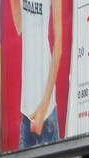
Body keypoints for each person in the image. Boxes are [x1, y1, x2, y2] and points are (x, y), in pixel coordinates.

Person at [9, 0, 64, 148]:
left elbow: (58, 47)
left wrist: (42, 108)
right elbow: (20, 28)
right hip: (26, 111)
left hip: (46, 114)